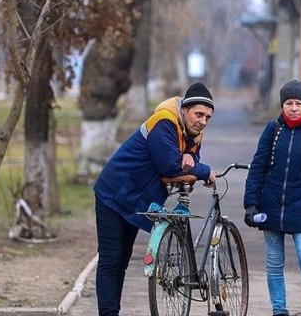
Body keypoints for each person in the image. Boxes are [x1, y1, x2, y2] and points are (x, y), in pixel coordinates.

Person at [92, 83, 217, 316]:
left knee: (122, 261)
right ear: (184, 110)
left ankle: (111, 312)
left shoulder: (194, 130)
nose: (203, 121)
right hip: (114, 192)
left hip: (137, 197)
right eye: (198, 114)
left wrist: (190, 156)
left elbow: (191, 157)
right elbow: (170, 166)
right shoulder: (164, 121)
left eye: (208, 117)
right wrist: (205, 171)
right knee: (111, 259)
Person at [243, 80, 301, 316]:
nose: (293, 108)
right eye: (288, 103)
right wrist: (251, 203)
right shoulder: (272, 130)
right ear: (282, 105)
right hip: (271, 207)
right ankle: (279, 310)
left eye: (298, 103)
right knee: (274, 264)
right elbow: (258, 167)